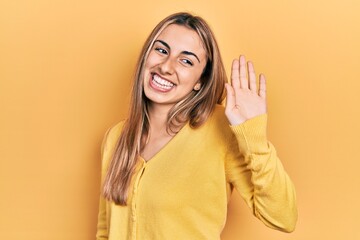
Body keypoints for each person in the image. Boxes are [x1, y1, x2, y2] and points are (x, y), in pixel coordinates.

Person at [96, 12, 297, 240]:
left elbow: (283, 217)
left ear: (201, 80)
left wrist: (255, 139)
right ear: (146, 56)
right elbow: (106, 231)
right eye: (161, 50)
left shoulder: (221, 130)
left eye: (186, 61)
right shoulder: (116, 137)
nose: (166, 67)